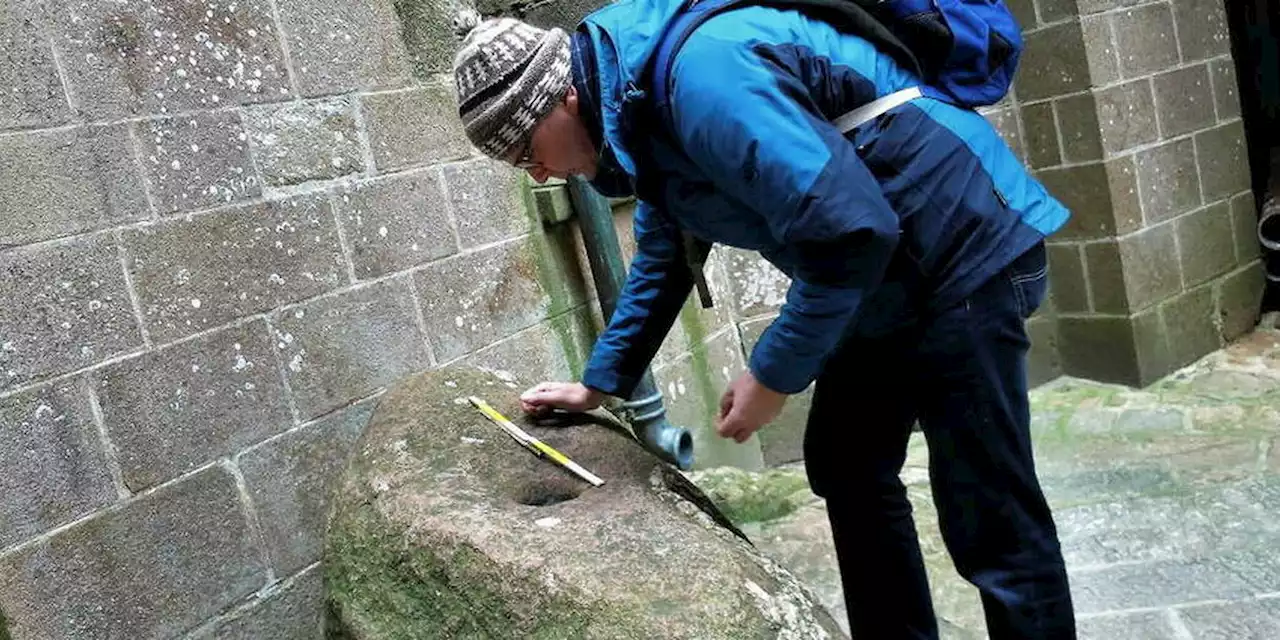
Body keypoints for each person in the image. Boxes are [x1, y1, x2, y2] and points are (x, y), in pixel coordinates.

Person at [451, 2, 1076, 637]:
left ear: (563, 99)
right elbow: (667, 253)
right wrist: (601, 381)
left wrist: (770, 375)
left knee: (990, 518)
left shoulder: (705, 78)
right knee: (847, 463)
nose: (540, 174)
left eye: (527, 153)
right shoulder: (639, 112)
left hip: (962, 251)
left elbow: (851, 232)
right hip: (886, 275)